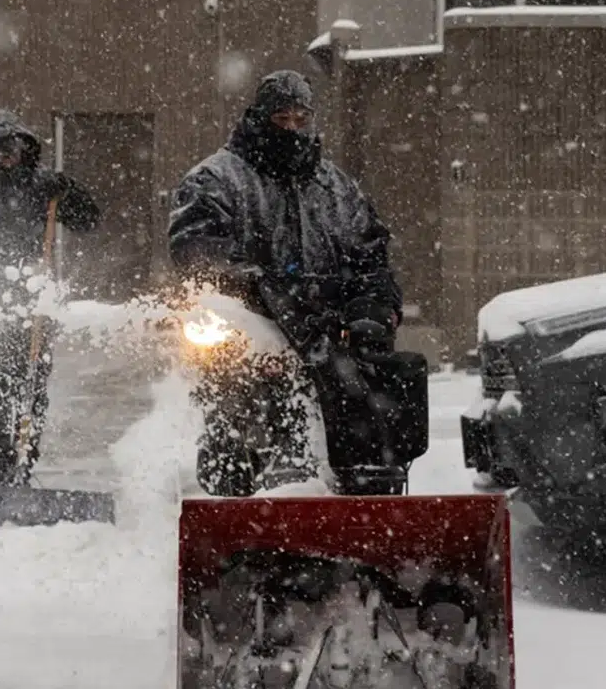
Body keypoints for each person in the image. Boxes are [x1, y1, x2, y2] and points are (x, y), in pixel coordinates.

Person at [168, 69, 426, 497]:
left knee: (381, 404)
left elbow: (371, 258)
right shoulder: (214, 181)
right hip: (251, 340)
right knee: (240, 441)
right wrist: (262, 289)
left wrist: (374, 308)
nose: (290, 129)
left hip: (332, 341)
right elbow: (196, 250)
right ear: (258, 117)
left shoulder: (337, 188)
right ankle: (237, 520)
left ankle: (368, 504)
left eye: (299, 119)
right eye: (280, 119)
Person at [0, 108, 102, 487]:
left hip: (34, 314)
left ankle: (21, 474)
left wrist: (68, 192)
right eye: (0, 150)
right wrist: (4, 283)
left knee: (31, 395)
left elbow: (89, 220)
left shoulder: (37, 186)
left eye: (14, 149)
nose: (8, 157)